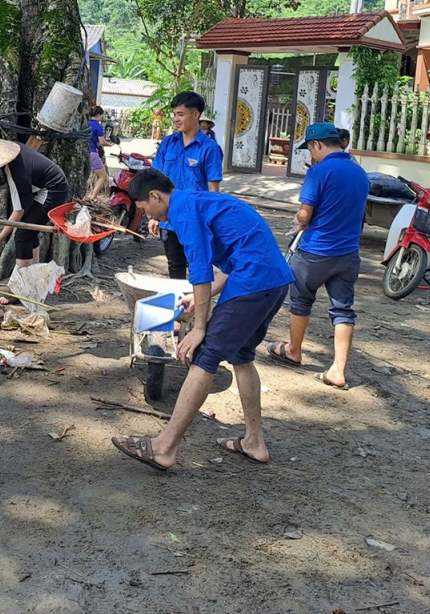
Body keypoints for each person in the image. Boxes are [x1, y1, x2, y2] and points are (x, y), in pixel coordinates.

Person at [110, 169, 294, 471]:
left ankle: (164, 447)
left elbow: (200, 269)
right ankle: (254, 442)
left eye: (144, 208)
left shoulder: (184, 211)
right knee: (241, 356)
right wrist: (200, 299)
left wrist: (199, 327)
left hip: (255, 280)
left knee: (204, 355)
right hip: (272, 280)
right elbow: (232, 260)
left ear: (155, 196)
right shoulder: (196, 201)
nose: (145, 216)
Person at [265, 123, 369, 389]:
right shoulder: (360, 173)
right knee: (343, 309)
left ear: (318, 145)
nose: (311, 155)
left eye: (310, 149)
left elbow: (304, 214)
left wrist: (300, 221)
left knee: (300, 300)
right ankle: (338, 369)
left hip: (316, 251)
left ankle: (294, 351)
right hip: (348, 253)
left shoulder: (319, 172)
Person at [0, 136, 69, 271]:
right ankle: (34, 271)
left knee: (22, 235)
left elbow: (19, 211)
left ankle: (24, 279)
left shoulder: (16, 174)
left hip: (53, 190)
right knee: (29, 229)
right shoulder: (15, 148)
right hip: (44, 185)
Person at [149, 91, 224, 280]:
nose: (176, 119)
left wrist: (212, 221)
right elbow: (156, 180)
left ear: (196, 115)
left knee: (199, 268)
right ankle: (179, 307)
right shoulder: (168, 143)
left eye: (180, 114)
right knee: (174, 265)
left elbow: (213, 190)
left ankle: (199, 307)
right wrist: (153, 215)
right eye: (174, 114)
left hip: (196, 219)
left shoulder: (210, 148)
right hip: (169, 218)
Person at [86, 106, 115, 199]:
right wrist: (109, 144)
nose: (102, 117)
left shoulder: (86, 123)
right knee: (103, 176)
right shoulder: (98, 126)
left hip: (85, 152)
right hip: (93, 152)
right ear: (98, 115)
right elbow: (102, 142)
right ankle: (93, 195)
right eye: (102, 115)